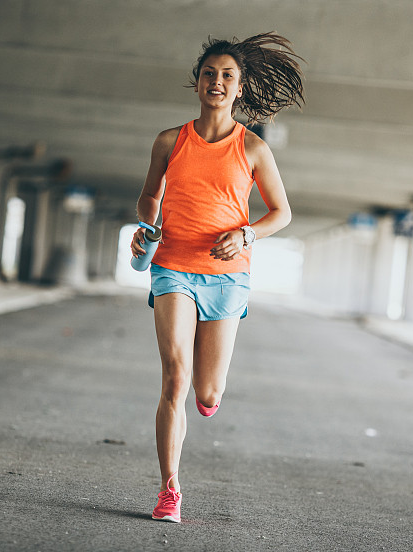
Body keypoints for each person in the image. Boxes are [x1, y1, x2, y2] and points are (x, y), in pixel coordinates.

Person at [131, 32, 304, 523]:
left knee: (206, 391)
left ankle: (207, 400)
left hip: (228, 277)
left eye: (228, 76)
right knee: (175, 378)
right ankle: (169, 491)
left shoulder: (252, 148)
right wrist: (150, 224)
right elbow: (149, 196)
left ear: (240, 88)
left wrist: (246, 235)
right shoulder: (170, 141)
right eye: (209, 73)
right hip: (172, 269)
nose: (217, 82)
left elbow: (281, 213)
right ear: (197, 82)